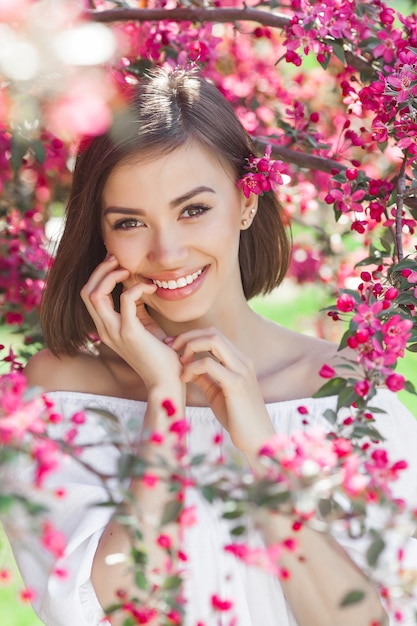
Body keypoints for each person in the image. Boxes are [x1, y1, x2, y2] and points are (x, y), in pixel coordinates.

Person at [9, 67, 417, 626]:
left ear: (246, 202)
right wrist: (165, 401)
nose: (168, 251)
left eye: (193, 209)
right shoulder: (60, 396)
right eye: (130, 222)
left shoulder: (343, 393)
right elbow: (101, 609)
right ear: (101, 235)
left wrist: (261, 450)